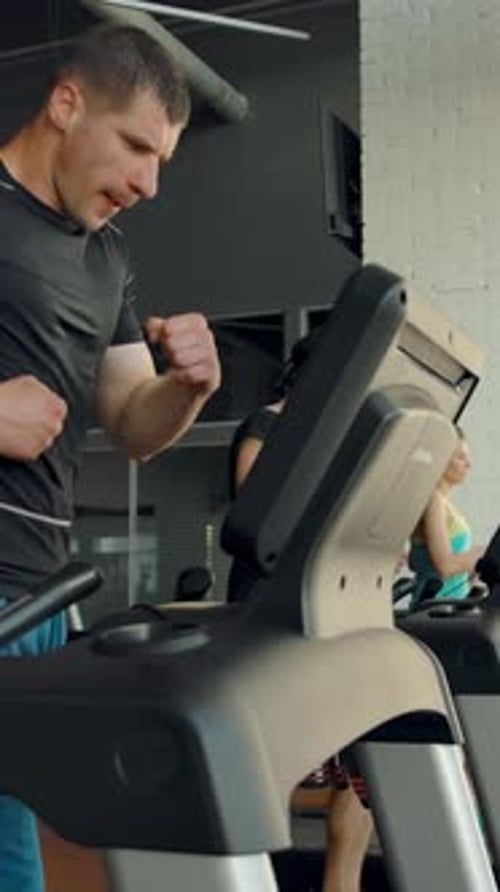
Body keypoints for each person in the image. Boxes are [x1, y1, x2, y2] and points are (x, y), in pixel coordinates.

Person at [0, 23, 221, 892]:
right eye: (135, 145)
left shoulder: (107, 259)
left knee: (19, 854)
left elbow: (132, 420)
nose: (147, 183)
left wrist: (188, 387)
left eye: (161, 159)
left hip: (40, 597)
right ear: (65, 103)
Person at [228, 332, 373, 892]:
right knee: (274, 763)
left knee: (357, 773)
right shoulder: (267, 425)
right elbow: (261, 520)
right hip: (268, 613)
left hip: (329, 609)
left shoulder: (331, 443)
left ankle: (344, 883)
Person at [409, 427, 485, 605]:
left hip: (450, 607)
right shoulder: (433, 500)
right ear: (440, 461)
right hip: (434, 610)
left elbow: (416, 561)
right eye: (460, 457)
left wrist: (474, 570)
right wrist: (481, 555)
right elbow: (445, 566)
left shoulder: (444, 503)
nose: (469, 464)